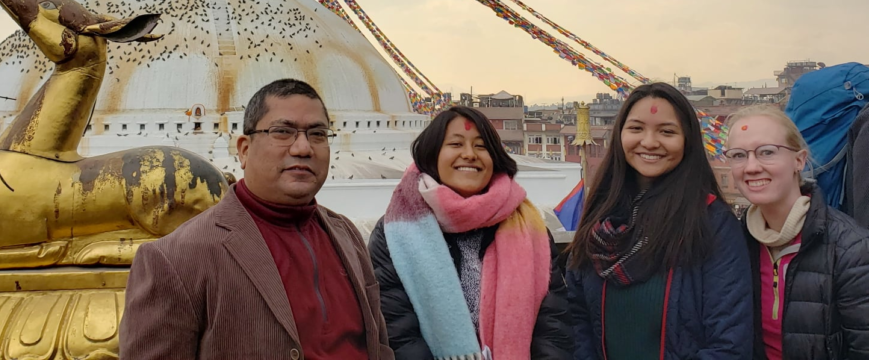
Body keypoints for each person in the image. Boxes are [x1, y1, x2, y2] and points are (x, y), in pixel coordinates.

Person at [121, 79, 393, 360]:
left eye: (318, 134)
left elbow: (378, 344)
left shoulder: (345, 234)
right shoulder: (176, 258)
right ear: (244, 149)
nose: (303, 148)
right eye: (282, 132)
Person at [566, 82, 752, 360]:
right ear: (619, 136)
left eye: (667, 131)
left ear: (687, 140)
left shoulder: (712, 223)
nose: (650, 142)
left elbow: (729, 342)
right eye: (636, 128)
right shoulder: (600, 218)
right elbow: (575, 316)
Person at [369, 105, 571, 360]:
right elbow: (397, 330)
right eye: (455, 144)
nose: (469, 154)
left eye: (481, 146)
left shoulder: (530, 229)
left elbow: (553, 325)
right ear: (432, 156)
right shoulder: (395, 233)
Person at [725, 104, 869, 360]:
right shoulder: (732, 244)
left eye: (766, 152)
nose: (751, 167)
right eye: (738, 155)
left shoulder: (851, 250)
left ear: (799, 160)